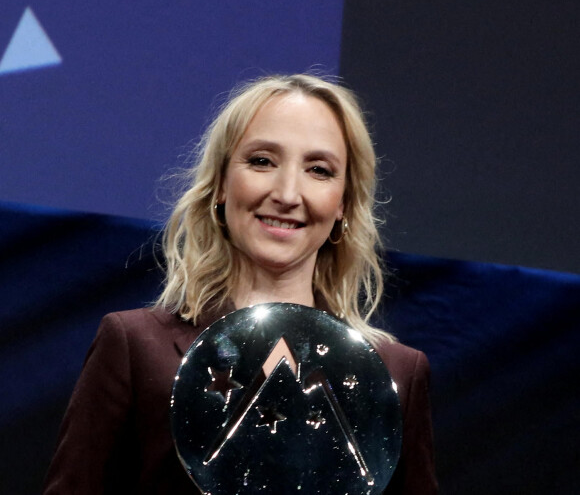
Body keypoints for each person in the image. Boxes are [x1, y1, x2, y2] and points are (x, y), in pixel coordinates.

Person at [43, 74, 438, 494]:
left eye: (319, 170)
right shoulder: (134, 347)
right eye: (262, 161)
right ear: (219, 185)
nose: (288, 193)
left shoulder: (396, 375)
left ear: (343, 203)